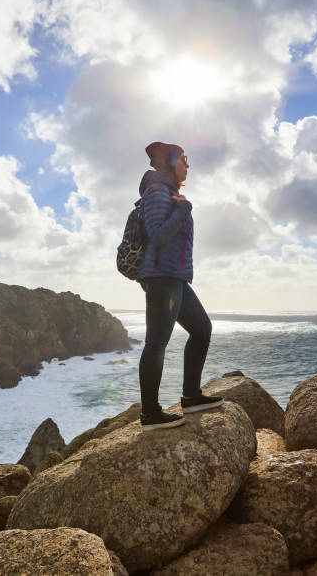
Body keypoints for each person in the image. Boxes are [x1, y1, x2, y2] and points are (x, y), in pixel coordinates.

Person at [136, 141, 223, 431]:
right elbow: (158, 236)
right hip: (162, 277)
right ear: (170, 162)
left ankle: (191, 396)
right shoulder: (158, 192)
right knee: (156, 343)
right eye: (184, 160)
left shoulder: (170, 193)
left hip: (175, 277)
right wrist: (184, 210)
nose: (188, 165)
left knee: (202, 329)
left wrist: (182, 206)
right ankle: (150, 413)